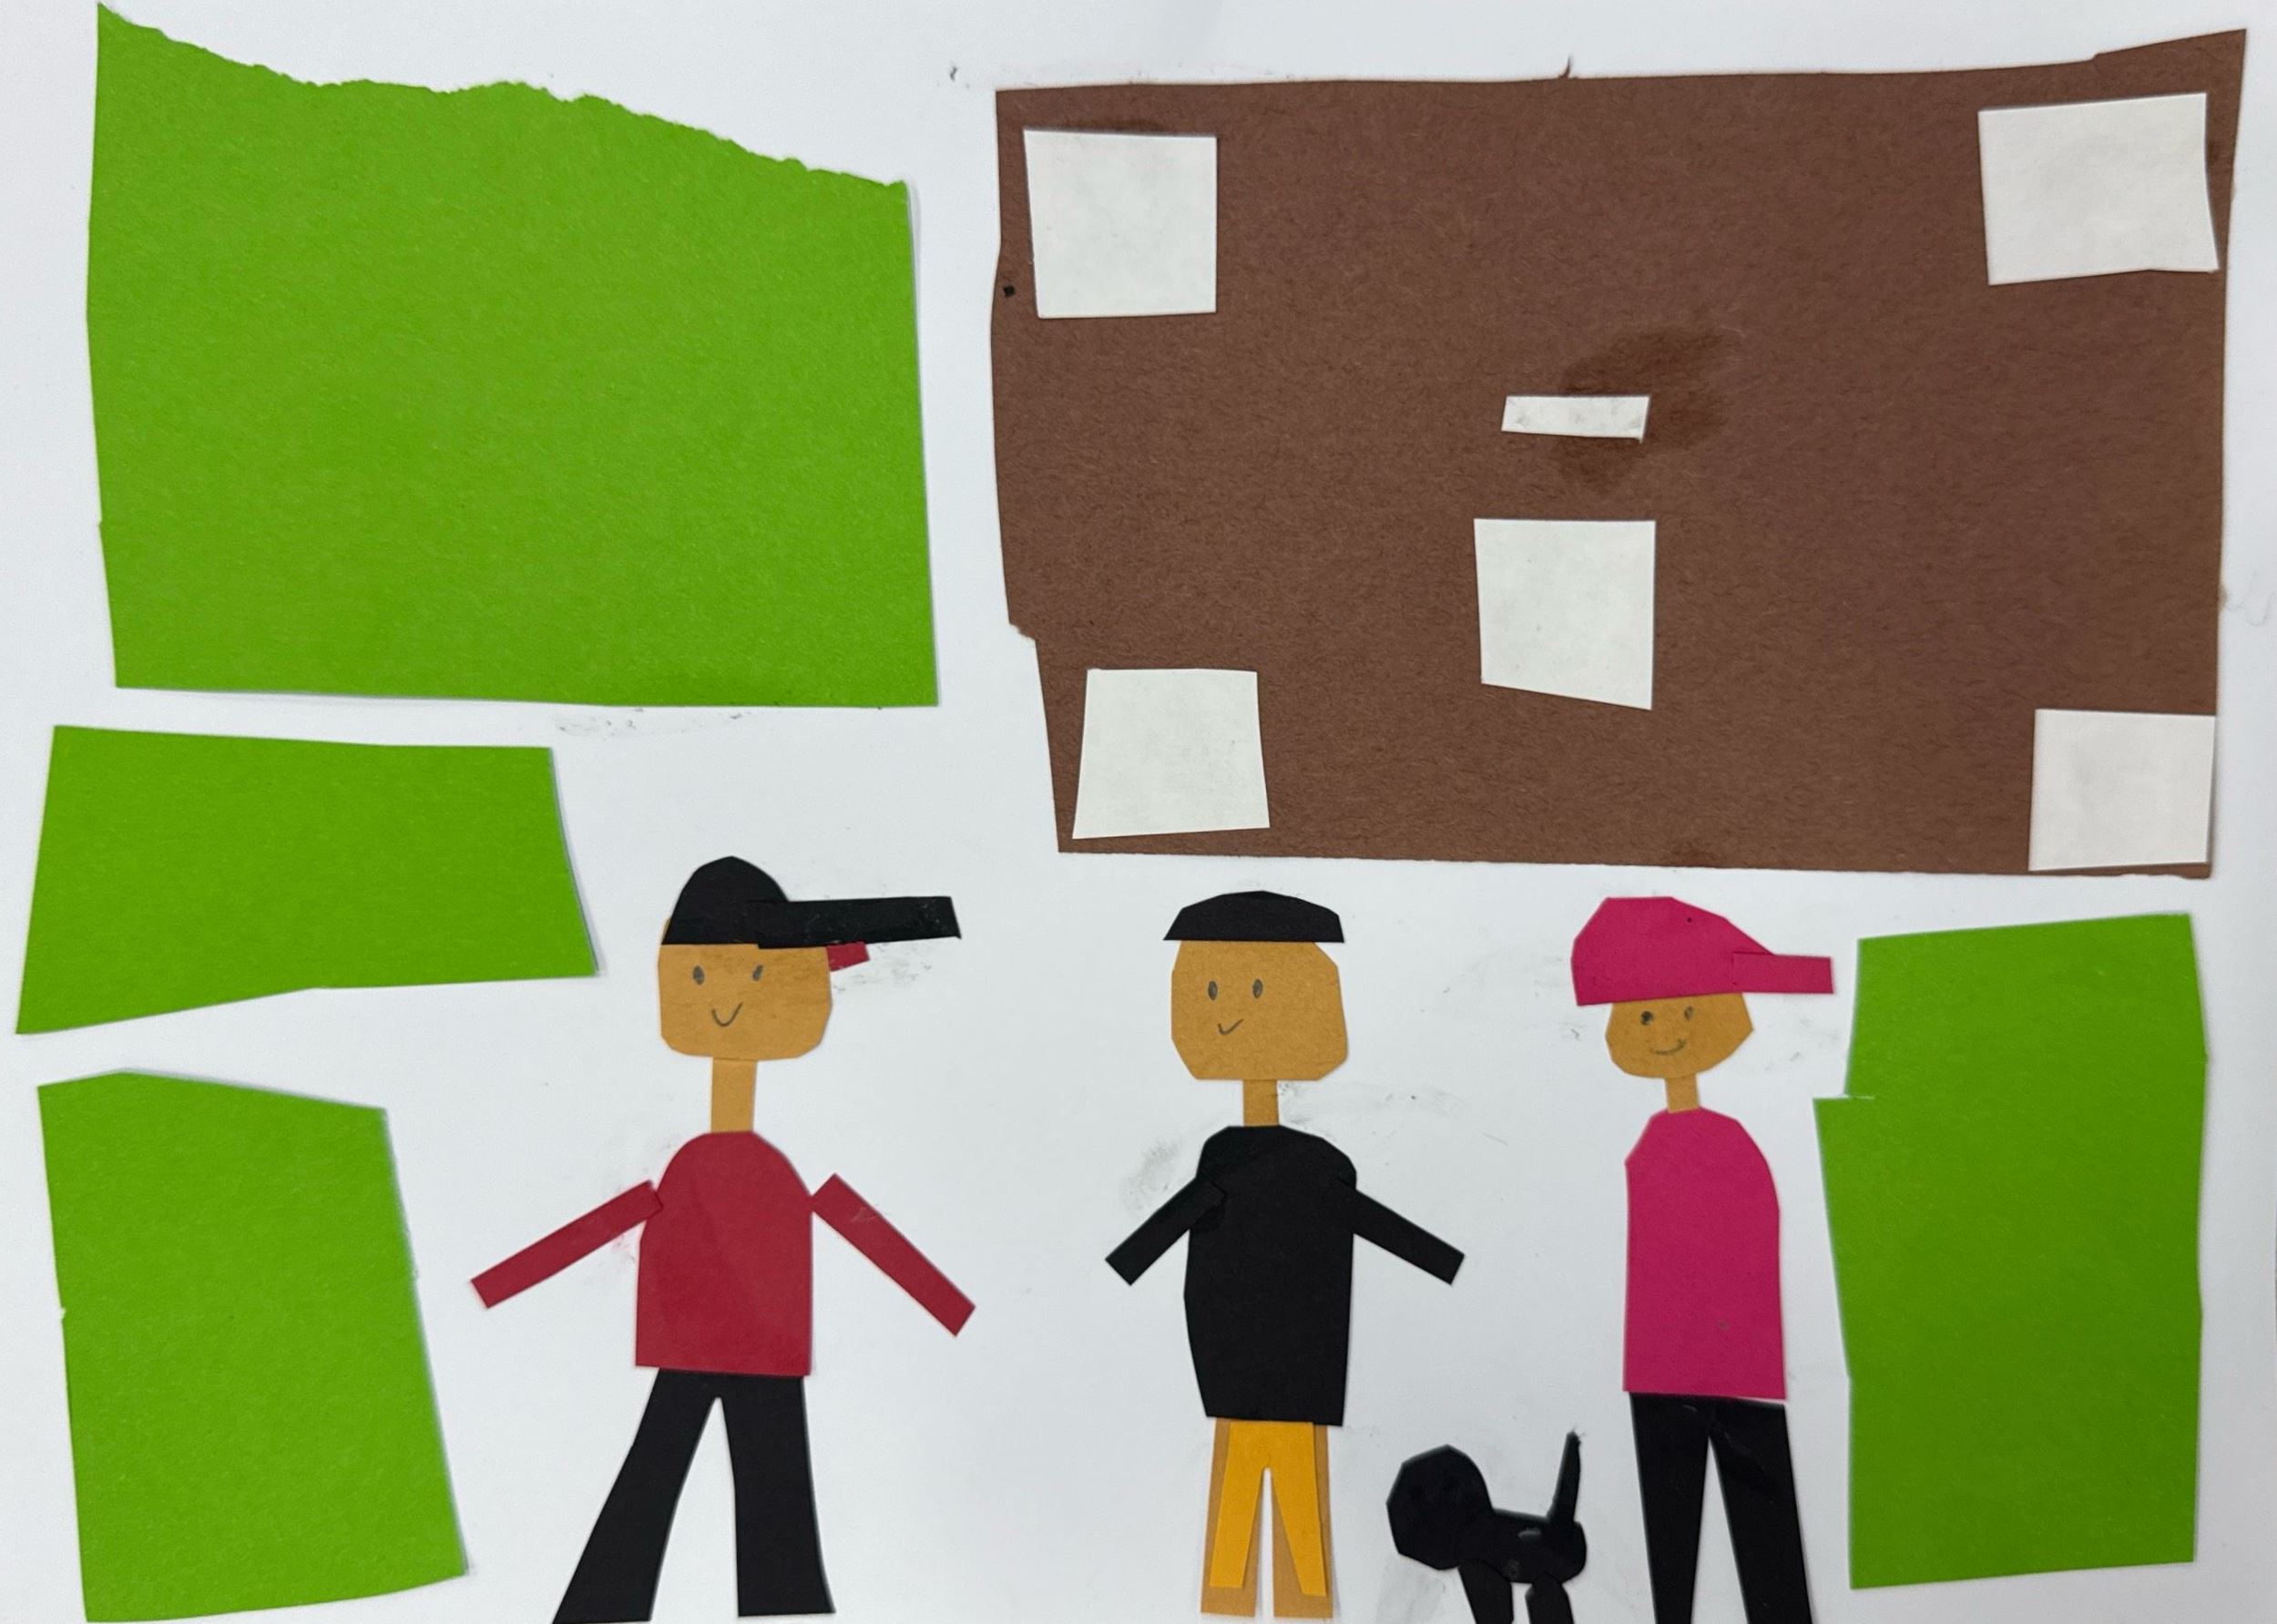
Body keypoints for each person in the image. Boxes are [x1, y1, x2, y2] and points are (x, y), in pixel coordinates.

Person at [474, 857, 972, 1624]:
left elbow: (842, 1212)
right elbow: (626, 1213)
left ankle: (628, 1603)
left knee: (723, 1480)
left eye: (758, 978)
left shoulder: (764, 1168)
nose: (728, 1000)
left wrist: (947, 1302)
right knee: (700, 1478)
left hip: (756, 1338)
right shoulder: (699, 1165)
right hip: (713, 1334)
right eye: (701, 977)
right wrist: (500, 1282)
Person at [1109, 890, 1463, 1618]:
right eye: (1211, 989)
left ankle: (1296, 1600)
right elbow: (1188, 1214)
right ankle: (1238, 1597)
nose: (1229, 1009)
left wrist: (1443, 1260)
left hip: (1298, 1343)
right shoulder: (1234, 1155)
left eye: (1258, 989)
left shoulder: (1315, 1165)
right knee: (1243, 1467)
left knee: (1291, 1478)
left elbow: (1356, 1217)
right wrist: (1127, 1260)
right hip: (1234, 1342)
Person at [1568, 896, 1832, 1624]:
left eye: (1686, 1011)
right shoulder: (1655, 1144)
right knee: (1672, 1550)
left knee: (1761, 1538)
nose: (1667, 1031)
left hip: (1738, 1369)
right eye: (1647, 1016)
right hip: (1663, 1369)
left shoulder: (1728, 1143)